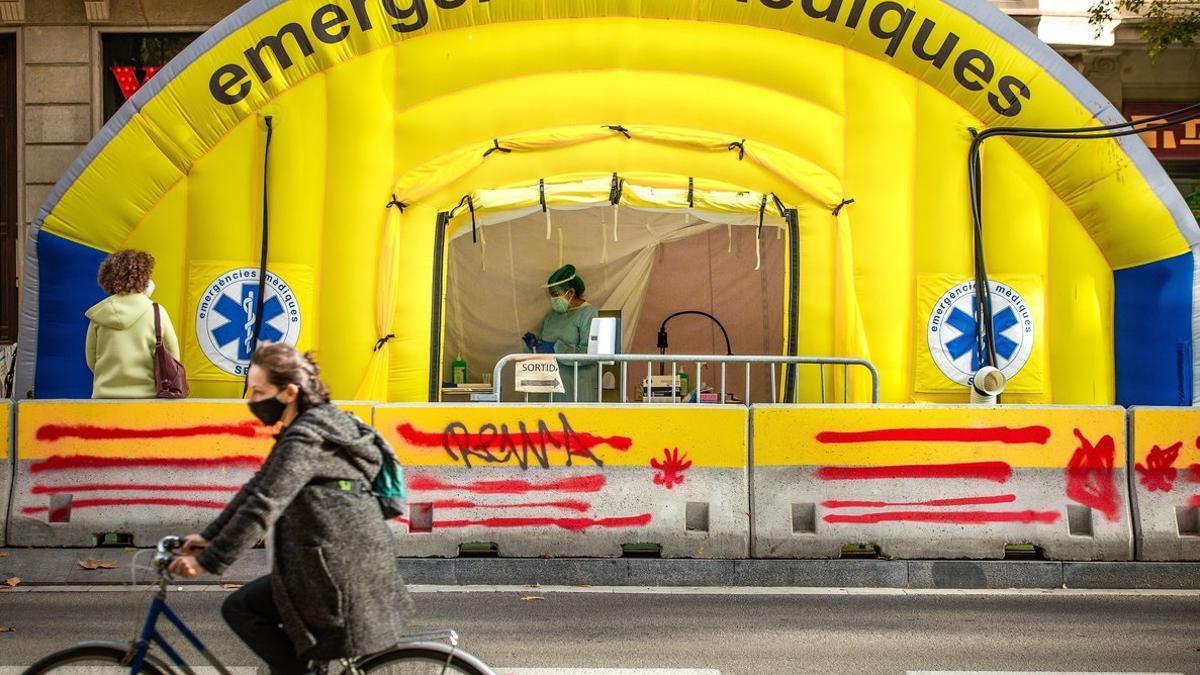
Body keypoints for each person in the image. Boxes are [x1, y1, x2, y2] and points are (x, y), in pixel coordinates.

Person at [168, 343, 409, 674]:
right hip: (344, 563)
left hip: (334, 574)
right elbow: (257, 488)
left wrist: (209, 562)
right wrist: (209, 537)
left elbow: (265, 504)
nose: (251, 401)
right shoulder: (321, 424)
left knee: (241, 609)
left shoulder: (306, 439)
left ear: (289, 392)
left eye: (258, 392)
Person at [84, 249, 180, 398]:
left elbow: (91, 359)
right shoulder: (156, 312)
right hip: (147, 396)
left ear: (107, 277)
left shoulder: (99, 314)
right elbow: (173, 355)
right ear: (144, 279)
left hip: (103, 396)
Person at [522, 264, 599, 402]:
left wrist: (556, 349)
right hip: (551, 387)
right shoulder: (552, 315)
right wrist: (534, 345)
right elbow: (543, 343)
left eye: (556, 295)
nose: (553, 300)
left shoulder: (588, 314)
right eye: (551, 295)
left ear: (570, 292)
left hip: (578, 387)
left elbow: (590, 354)